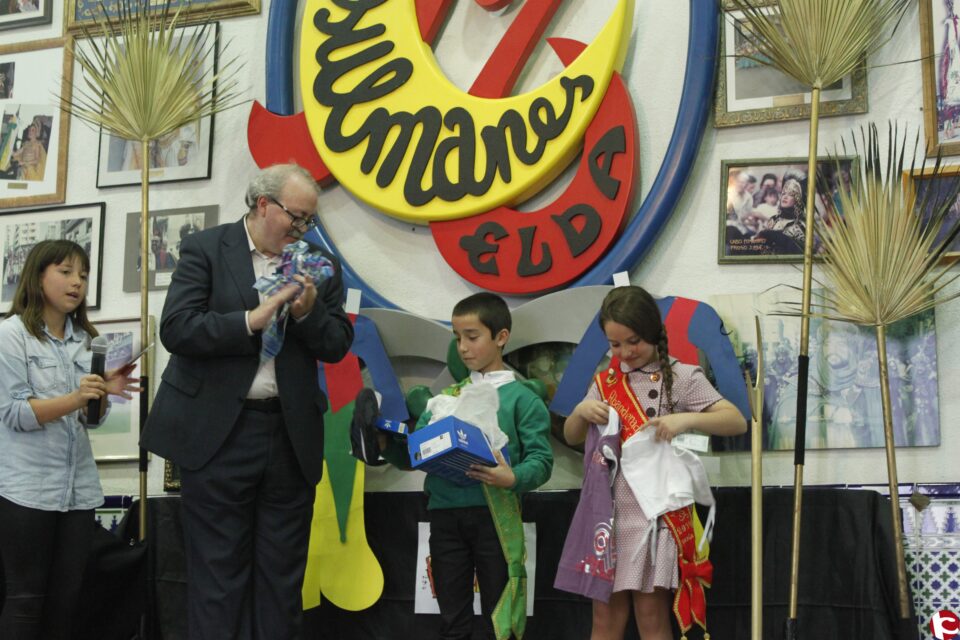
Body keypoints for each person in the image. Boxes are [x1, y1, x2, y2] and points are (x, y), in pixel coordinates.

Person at [141, 163, 354, 639]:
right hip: (217, 435)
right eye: (296, 218)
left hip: (288, 435)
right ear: (264, 205)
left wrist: (307, 313)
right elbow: (177, 328)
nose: (301, 230)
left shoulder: (318, 264)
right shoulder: (206, 248)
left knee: (282, 581)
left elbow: (338, 342)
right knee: (218, 579)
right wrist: (249, 321)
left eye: (307, 222)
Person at [560, 286, 745, 640]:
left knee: (651, 615)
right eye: (615, 345)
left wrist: (684, 420)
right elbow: (571, 435)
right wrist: (582, 412)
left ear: (653, 332)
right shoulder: (605, 383)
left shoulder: (684, 376)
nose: (626, 353)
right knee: (604, 618)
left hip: (654, 518)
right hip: (607, 517)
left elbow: (734, 420)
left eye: (634, 341)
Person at [380, 292, 553, 640]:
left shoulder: (522, 399)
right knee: (451, 616)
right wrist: (386, 445)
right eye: (458, 338)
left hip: (495, 518)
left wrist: (512, 476)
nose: (462, 347)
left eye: (472, 337)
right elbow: (417, 455)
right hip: (444, 516)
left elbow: (542, 461)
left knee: (499, 618)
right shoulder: (444, 401)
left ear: (501, 337)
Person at [0, 240, 140, 639]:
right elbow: (15, 413)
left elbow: (89, 422)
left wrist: (101, 397)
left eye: (83, 274)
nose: (77, 282)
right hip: (25, 490)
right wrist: (77, 397)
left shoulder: (88, 340)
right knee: (26, 600)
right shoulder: (11, 336)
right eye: (65, 272)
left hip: (78, 490)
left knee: (68, 600)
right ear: (38, 276)